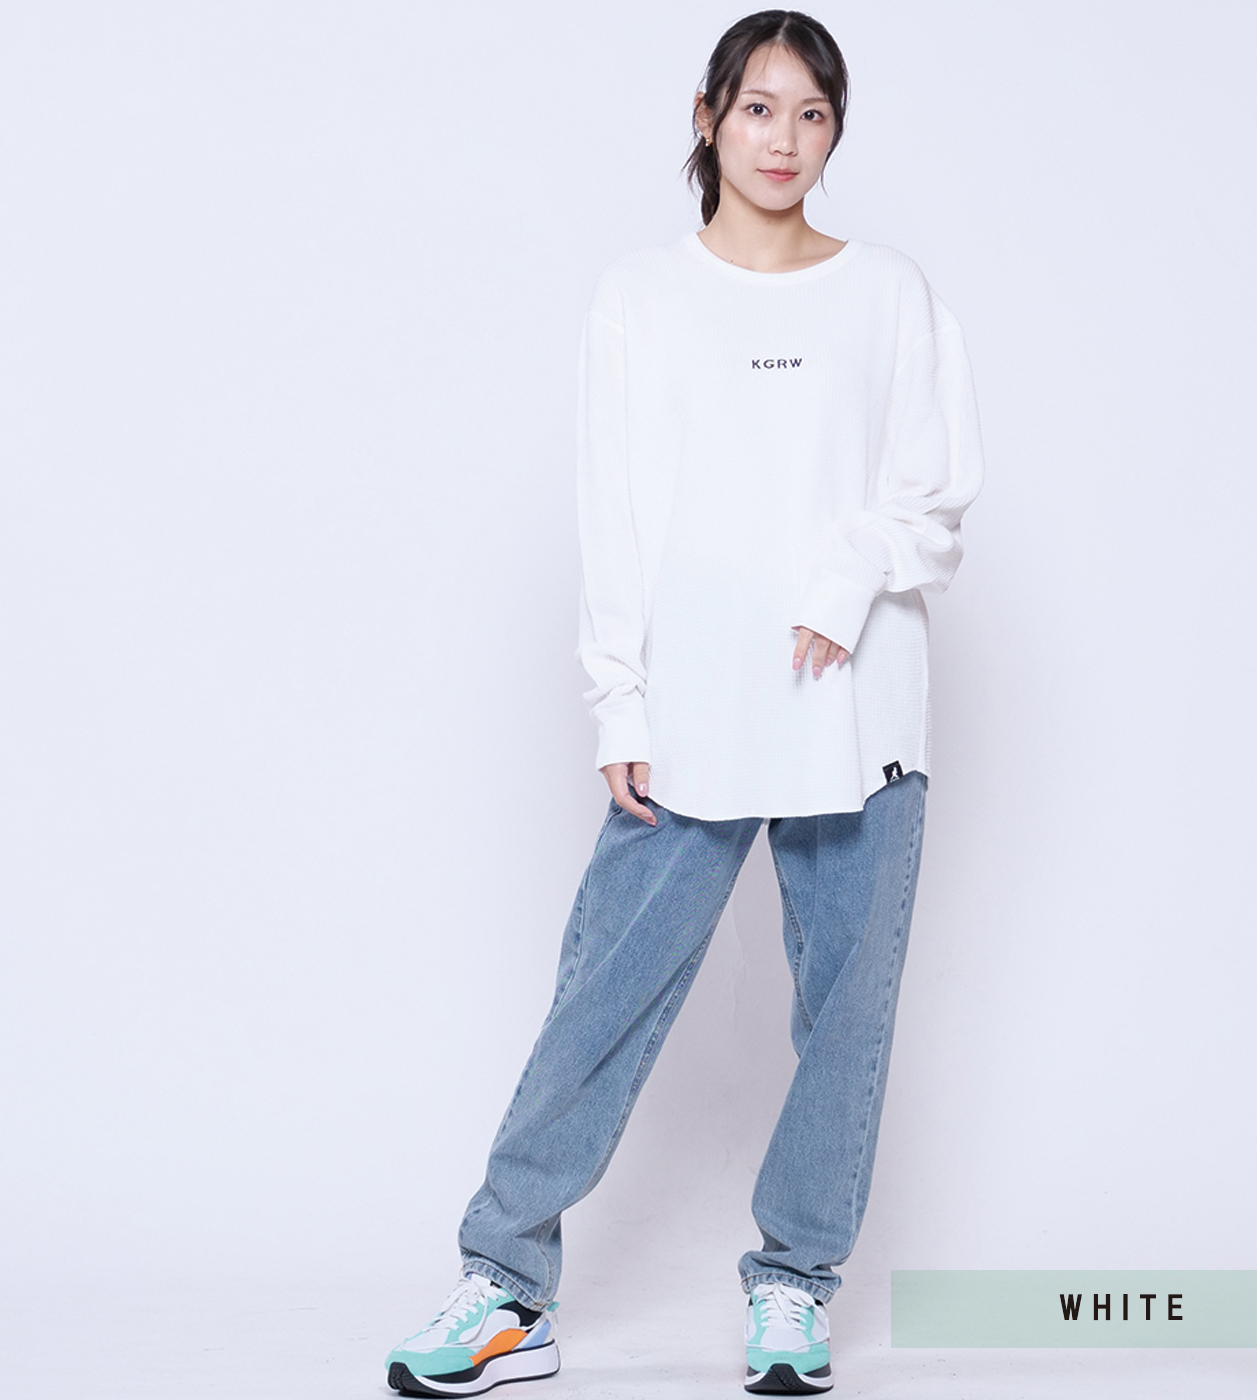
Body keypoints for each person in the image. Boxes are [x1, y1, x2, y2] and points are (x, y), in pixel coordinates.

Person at [384, 9, 984, 1396]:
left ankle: (795, 1286)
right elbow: (616, 513)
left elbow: (938, 494)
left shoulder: (890, 293)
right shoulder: (641, 297)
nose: (786, 140)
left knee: (846, 1022)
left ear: (837, 132)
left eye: (814, 114)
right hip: (693, 705)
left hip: (862, 717)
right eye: (760, 108)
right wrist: (620, 704)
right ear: (708, 116)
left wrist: (843, 582)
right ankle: (507, 1285)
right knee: (602, 997)